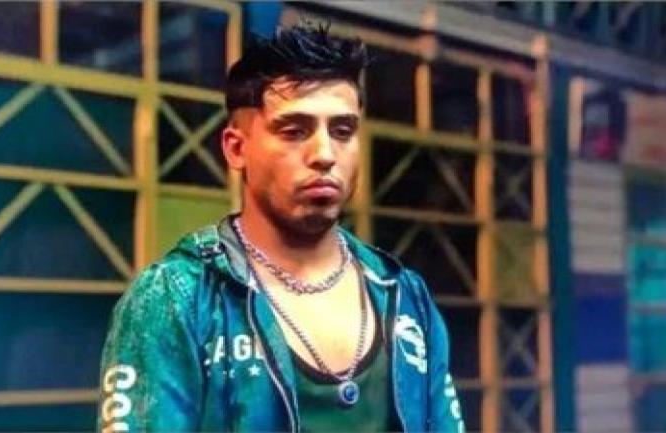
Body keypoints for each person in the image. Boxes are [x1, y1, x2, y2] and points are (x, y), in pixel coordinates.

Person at [98, 23, 465, 433]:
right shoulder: (176, 297)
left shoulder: (403, 294)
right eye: (294, 131)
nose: (324, 154)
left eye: (342, 131)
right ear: (236, 148)